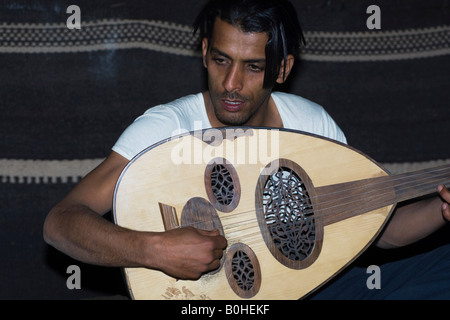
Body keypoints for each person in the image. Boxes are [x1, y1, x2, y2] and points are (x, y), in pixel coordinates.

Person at [43, 0, 450, 298]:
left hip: (307, 288)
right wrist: (153, 249)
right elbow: (60, 223)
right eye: (221, 60)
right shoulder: (168, 127)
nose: (232, 83)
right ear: (204, 52)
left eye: (254, 66)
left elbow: (379, 231)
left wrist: (441, 208)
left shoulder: (310, 125)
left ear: (283, 68)